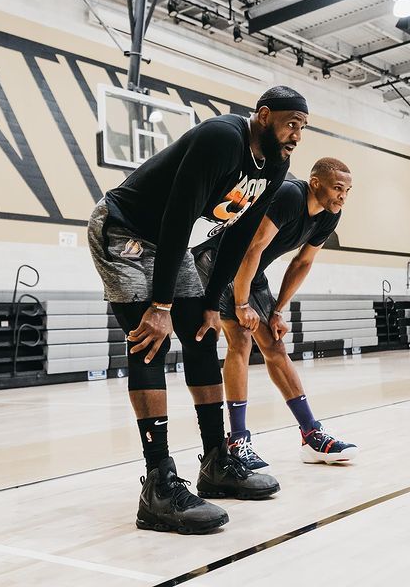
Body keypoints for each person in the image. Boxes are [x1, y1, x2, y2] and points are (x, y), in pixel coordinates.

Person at [87, 86, 309, 535]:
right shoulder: (220, 137)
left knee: (204, 335)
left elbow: (239, 234)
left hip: (174, 243)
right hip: (125, 230)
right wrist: (161, 305)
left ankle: (216, 463)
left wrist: (211, 305)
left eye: (303, 128)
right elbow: (177, 216)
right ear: (263, 116)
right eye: (291, 124)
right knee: (149, 341)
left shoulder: (276, 166)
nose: (296, 135)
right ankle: (159, 486)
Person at [201, 158, 358, 470]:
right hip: (219, 262)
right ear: (316, 183)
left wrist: (277, 310)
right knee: (241, 340)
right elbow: (252, 248)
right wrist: (241, 304)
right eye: (338, 188)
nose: (342, 196)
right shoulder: (290, 195)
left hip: (250, 270)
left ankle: (312, 435)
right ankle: (238, 441)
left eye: (347, 191)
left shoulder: (328, 216)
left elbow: (302, 263)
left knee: (274, 345)